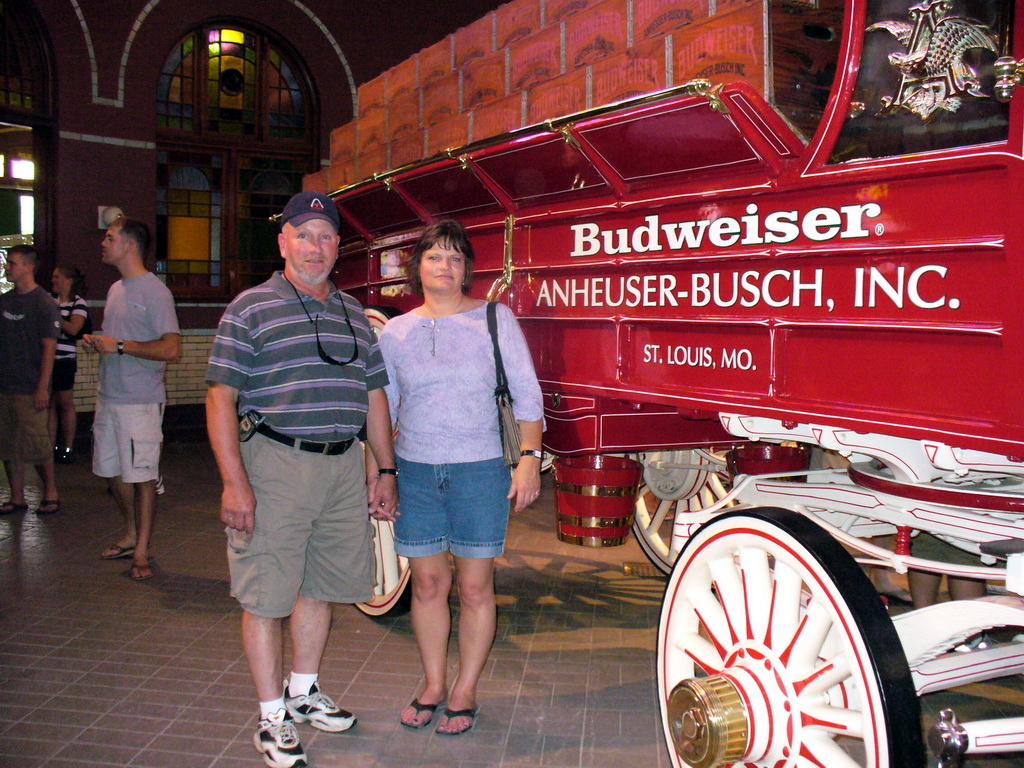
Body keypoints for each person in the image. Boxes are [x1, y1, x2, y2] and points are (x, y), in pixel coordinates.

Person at [205, 190, 398, 768]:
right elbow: (220, 397)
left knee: (321, 585)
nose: (316, 246)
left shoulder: (354, 314)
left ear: (338, 246)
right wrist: (234, 482)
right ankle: (271, 719)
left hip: (341, 466)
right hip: (274, 464)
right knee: (266, 595)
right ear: (283, 242)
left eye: (326, 236)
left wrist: (385, 468)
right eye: (304, 235)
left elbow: (374, 395)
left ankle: (303, 691)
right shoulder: (250, 308)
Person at [376, 220, 543, 735]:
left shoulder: (494, 318)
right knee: (427, 584)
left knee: (474, 587)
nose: (444, 265)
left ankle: (465, 689)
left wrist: (529, 459)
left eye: (454, 256)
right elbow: (384, 408)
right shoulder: (397, 332)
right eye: (434, 256)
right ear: (418, 267)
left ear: (466, 267)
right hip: (417, 470)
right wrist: (382, 473)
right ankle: (433, 683)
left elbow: (526, 392)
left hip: (480, 468)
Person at [83, 217, 180, 580]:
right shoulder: (115, 289)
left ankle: (141, 551)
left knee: (143, 477)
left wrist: (121, 346)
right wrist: (99, 343)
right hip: (109, 396)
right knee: (112, 473)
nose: (103, 243)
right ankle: (130, 534)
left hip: (140, 401)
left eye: (110, 238)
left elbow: (171, 349)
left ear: (129, 245)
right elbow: (116, 341)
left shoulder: (156, 292)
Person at [0, 245, 61, 515]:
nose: (7, 268)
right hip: (5, 383)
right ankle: (17, 497)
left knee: (37, 444)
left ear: (28, 267)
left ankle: (51, 492)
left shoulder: (44, 303)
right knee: (8, 443)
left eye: (12, 263)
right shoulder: (4, 301)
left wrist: (42, 387)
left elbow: (49, 347)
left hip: (30, 386)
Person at [50, 265, 89, 464]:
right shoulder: (50, 300)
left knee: (65, 403)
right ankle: (50, 447)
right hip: (47, 359)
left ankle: (68, 447)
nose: (53, 281)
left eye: (57, 277)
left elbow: (74, 329)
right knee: (49, 404)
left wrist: (54, 315)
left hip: (64, 360)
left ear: (68, 280)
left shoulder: (77, 303)